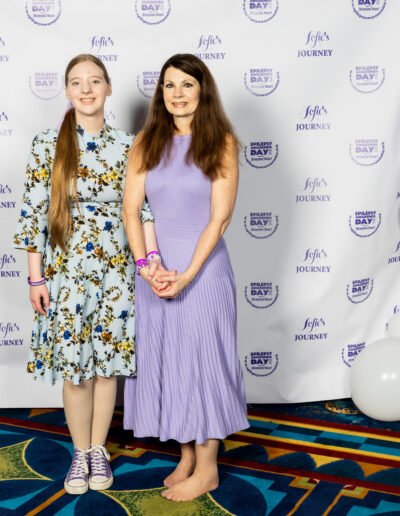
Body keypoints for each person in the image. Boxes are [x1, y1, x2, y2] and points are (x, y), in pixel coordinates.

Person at [13, 54, 157, 495]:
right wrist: (36, 278)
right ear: (67, 91)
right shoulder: (47, 144)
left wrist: (150, 262)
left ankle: (98, 450)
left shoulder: (130, 145)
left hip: (116, 269)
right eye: (77, 82)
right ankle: (79, 453)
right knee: (75, 370)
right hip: (66, 273)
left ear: (109, 88)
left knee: (106, 366)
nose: (87, 89)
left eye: (95, 81)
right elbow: (34, 214)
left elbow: (143, 211)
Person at [122, 53, 249, 502]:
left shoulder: (222, 142)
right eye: (169, 85)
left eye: (187, 85)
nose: (177, 94)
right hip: (156, 272)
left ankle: (208, 468)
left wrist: (187, 276)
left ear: (203, 90)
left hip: (203, 271)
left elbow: (219, 219)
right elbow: (131, 212)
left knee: (204, 363)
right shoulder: (146, 141)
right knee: (172, 362)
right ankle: (188, 456)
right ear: (161, 93)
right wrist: (147, 268)